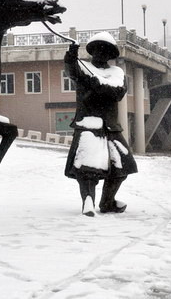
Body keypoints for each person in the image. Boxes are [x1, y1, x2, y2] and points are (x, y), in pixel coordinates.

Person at [64, 31, 138, 216]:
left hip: (111, 126)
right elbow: (72, 70)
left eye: (105, 49)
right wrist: (71, 56)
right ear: (92, 51)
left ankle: (107, 201)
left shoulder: (117, 72)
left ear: (110, 54)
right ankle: (87, 202)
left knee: (122, 167)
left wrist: (95, 83)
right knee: (87, 169)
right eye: (97, 49)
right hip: (88, 123)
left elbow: (117, 92)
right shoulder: (83, 68)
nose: (100, 52)